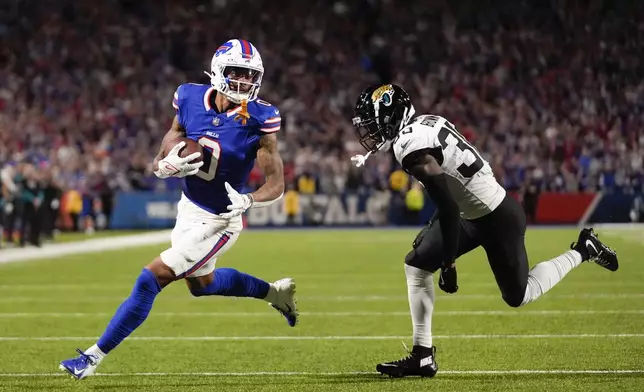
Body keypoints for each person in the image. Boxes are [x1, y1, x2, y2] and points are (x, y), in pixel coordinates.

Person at [59, 39, 297, 380]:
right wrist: (163, 163)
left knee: (151, 278)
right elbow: (174, 135)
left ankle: (91, 358)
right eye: (236, 73)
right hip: (189, 207)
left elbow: (276, 184)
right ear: (217, 71)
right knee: (203, 285)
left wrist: (249, 201)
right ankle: (276, 293)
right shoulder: (188, 96)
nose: (244, 83)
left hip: (221, 219)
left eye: (250, 76)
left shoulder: (259, 118)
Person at [350, 84, 619, 378]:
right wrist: (434, 228)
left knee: (519, 295)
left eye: (374, 123)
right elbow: (454, 187)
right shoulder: (428, 123)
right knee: (416, 264)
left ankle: (583, 250)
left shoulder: (408, 146)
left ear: (392, 116)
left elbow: (451, 205)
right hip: (472, 213)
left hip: (498, 217)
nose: (372, 132)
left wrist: (448, 263)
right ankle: (422, 356)